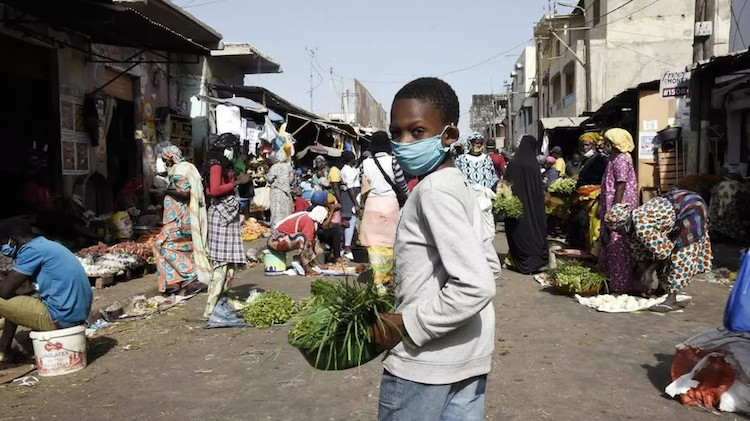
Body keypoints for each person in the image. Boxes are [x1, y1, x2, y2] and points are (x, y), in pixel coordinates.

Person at [372, 77, 501, 420]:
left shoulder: (432, 192)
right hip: (467, 360)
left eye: (417, 132)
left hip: (424, 365)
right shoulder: (459, 184)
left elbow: (477, 283)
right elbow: (489, 264)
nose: (403, 143)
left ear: (449, 136)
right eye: (395, 133)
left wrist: (406, 323)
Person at [604, 190, 712, 312]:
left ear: (624, 224)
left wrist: (649, 271)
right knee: (660, 253)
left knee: (681, 253)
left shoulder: (642, 226)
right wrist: (645, 271)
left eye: (618, 230)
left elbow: (664, 252)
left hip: (690, 207)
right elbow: (643, 252)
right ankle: (662, 289)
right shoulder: (630, 229)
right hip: (674, 210)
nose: (618, 233)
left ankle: (672, 299)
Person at [0, 220, 92, 362]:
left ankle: (3, 350)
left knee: (5, 297)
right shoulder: (45, 245)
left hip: (60, 317)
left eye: (2, 243)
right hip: (75, 315)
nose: (2, 249)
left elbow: (5, 290)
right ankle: (3, 349)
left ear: (13, 240)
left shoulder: (31, 251)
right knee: (14, 300)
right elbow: (19, 289)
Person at [202, 133, 252, 318]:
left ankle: (221, 302)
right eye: (231, 148)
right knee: (221, 263)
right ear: (225, 148)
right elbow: (213, 190)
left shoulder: (222, 164)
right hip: (220, 215)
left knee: (230, 262)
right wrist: (238, 182)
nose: (233, 151)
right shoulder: (215, 164)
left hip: (228, 213)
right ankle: (210, 309)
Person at [154, 146, 211, 295]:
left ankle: (190, 274)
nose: (164, 162)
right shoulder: (187, 167)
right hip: (185, 217)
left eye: (165, 159)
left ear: (170, 158)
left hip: (179, 217)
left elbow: (185, 193)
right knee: (183, 248)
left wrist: (164, 191)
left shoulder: (179, 171)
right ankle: (182, 287)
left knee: (162, 245)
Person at [360, 131, 409, 292]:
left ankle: (377, 280)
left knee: (374, 244)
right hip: (390, 205)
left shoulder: (365, 163)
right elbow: (402, 185)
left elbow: (363, 186)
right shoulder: (394, 161)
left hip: (372, 205)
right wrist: (407, 198)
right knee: (389, 244)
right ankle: (387, 279)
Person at [598, 128, 639, 293]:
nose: (606, 146)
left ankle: (619, 284)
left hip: (619, 209)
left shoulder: (621, 159)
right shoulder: (614, 159)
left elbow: (620, 186)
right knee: (608, 243)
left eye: (608, 143)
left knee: (617, 245)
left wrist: (615, 210)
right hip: (610, 207)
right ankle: (610, 280)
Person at [504, 135, 549, 274]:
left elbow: (506, 184)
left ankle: (520, 260)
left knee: (518, 231)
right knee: (534, 229)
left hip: (517, 206)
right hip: (534, 207)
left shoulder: (514, 162)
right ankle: (535, 261)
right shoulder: (534, 164)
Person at [567, 132, 609, 253]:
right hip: (583, 198)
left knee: (592, 227)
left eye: (587, 145)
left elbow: (605, 181)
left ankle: (593, 254)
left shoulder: (602, 159)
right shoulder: (585, 160)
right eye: (582, 145)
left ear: (594, 145)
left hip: (595, 198)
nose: (584, 148)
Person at [454, 132, 499, 239]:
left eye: (480, 143)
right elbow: (456, 177)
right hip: (468, 199)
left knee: (486, 233)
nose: (478, 145)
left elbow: (492, 176)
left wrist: (499, 185)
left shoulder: (487, 159)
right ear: (470, 144)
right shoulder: (461, 159)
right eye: (475, 143)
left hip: (484, 201)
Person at [267, 205, 329, 276]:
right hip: (275, 242)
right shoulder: (308, 221)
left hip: (282, 240)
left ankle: (310, 264)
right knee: (303, 238)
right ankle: (307, 268)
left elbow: (312, 242)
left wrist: (318, 263)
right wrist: (319, 264)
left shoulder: (308, 217)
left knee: (313, 239)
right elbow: (308, 244)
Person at [708, 176, 750, 241]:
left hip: (728, 192)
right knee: (730, 211)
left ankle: (722, 232)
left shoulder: (718, 189)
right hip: (729, 193)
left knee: (726, 211)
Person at [338, 150, 361, 257]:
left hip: (352, 195)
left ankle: (346, 246)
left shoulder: (350, 169)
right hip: (350, 197)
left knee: (351, 221)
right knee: (349, 221)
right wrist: (355, 203)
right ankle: (346, 247)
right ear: (349, 160)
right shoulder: (346, 170)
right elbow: (350, 187)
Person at [267, 150, 294, 227]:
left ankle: (276, 228)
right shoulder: (289, 167)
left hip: (277, 191)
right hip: (286, 192)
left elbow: (269, 179)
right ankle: (286, 227)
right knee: (286, 210)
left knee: (276, 210)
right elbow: (291, 179)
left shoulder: (274, 167)